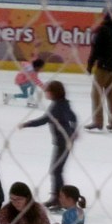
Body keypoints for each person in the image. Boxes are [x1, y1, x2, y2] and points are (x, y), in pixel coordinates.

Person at [18, 80, 78, 209]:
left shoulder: (56, 106)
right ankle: (58, 197)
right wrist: (73, 131)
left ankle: (59, 199)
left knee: (56, 171)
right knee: (56, 170)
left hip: (63, 142)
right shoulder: (63, 104)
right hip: (65, 141)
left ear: (53, 93)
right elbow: (73, 118)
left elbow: (44, 120)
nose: (45, 93)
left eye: (47, 91)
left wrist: (26, 124)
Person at [85, 11, 112, 132]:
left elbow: (95, 49)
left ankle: (97, 121)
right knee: (111, 94)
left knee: (96, 93)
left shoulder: (101, 30)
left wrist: (90, 65)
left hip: (104, 66)